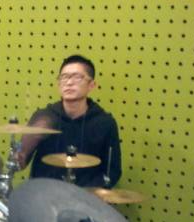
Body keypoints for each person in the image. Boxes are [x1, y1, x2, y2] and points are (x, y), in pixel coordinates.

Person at [17, 55, 121, 188]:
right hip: (44, 194)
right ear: (59, 84)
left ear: (91, 85)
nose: (69, 82)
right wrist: (23, 150)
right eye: (64, 77)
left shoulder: (104, 123)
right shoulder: (44, 117)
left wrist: (86, 193)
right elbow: (20, 162)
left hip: (84, 196)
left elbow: (113, 171)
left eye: (77, 77)